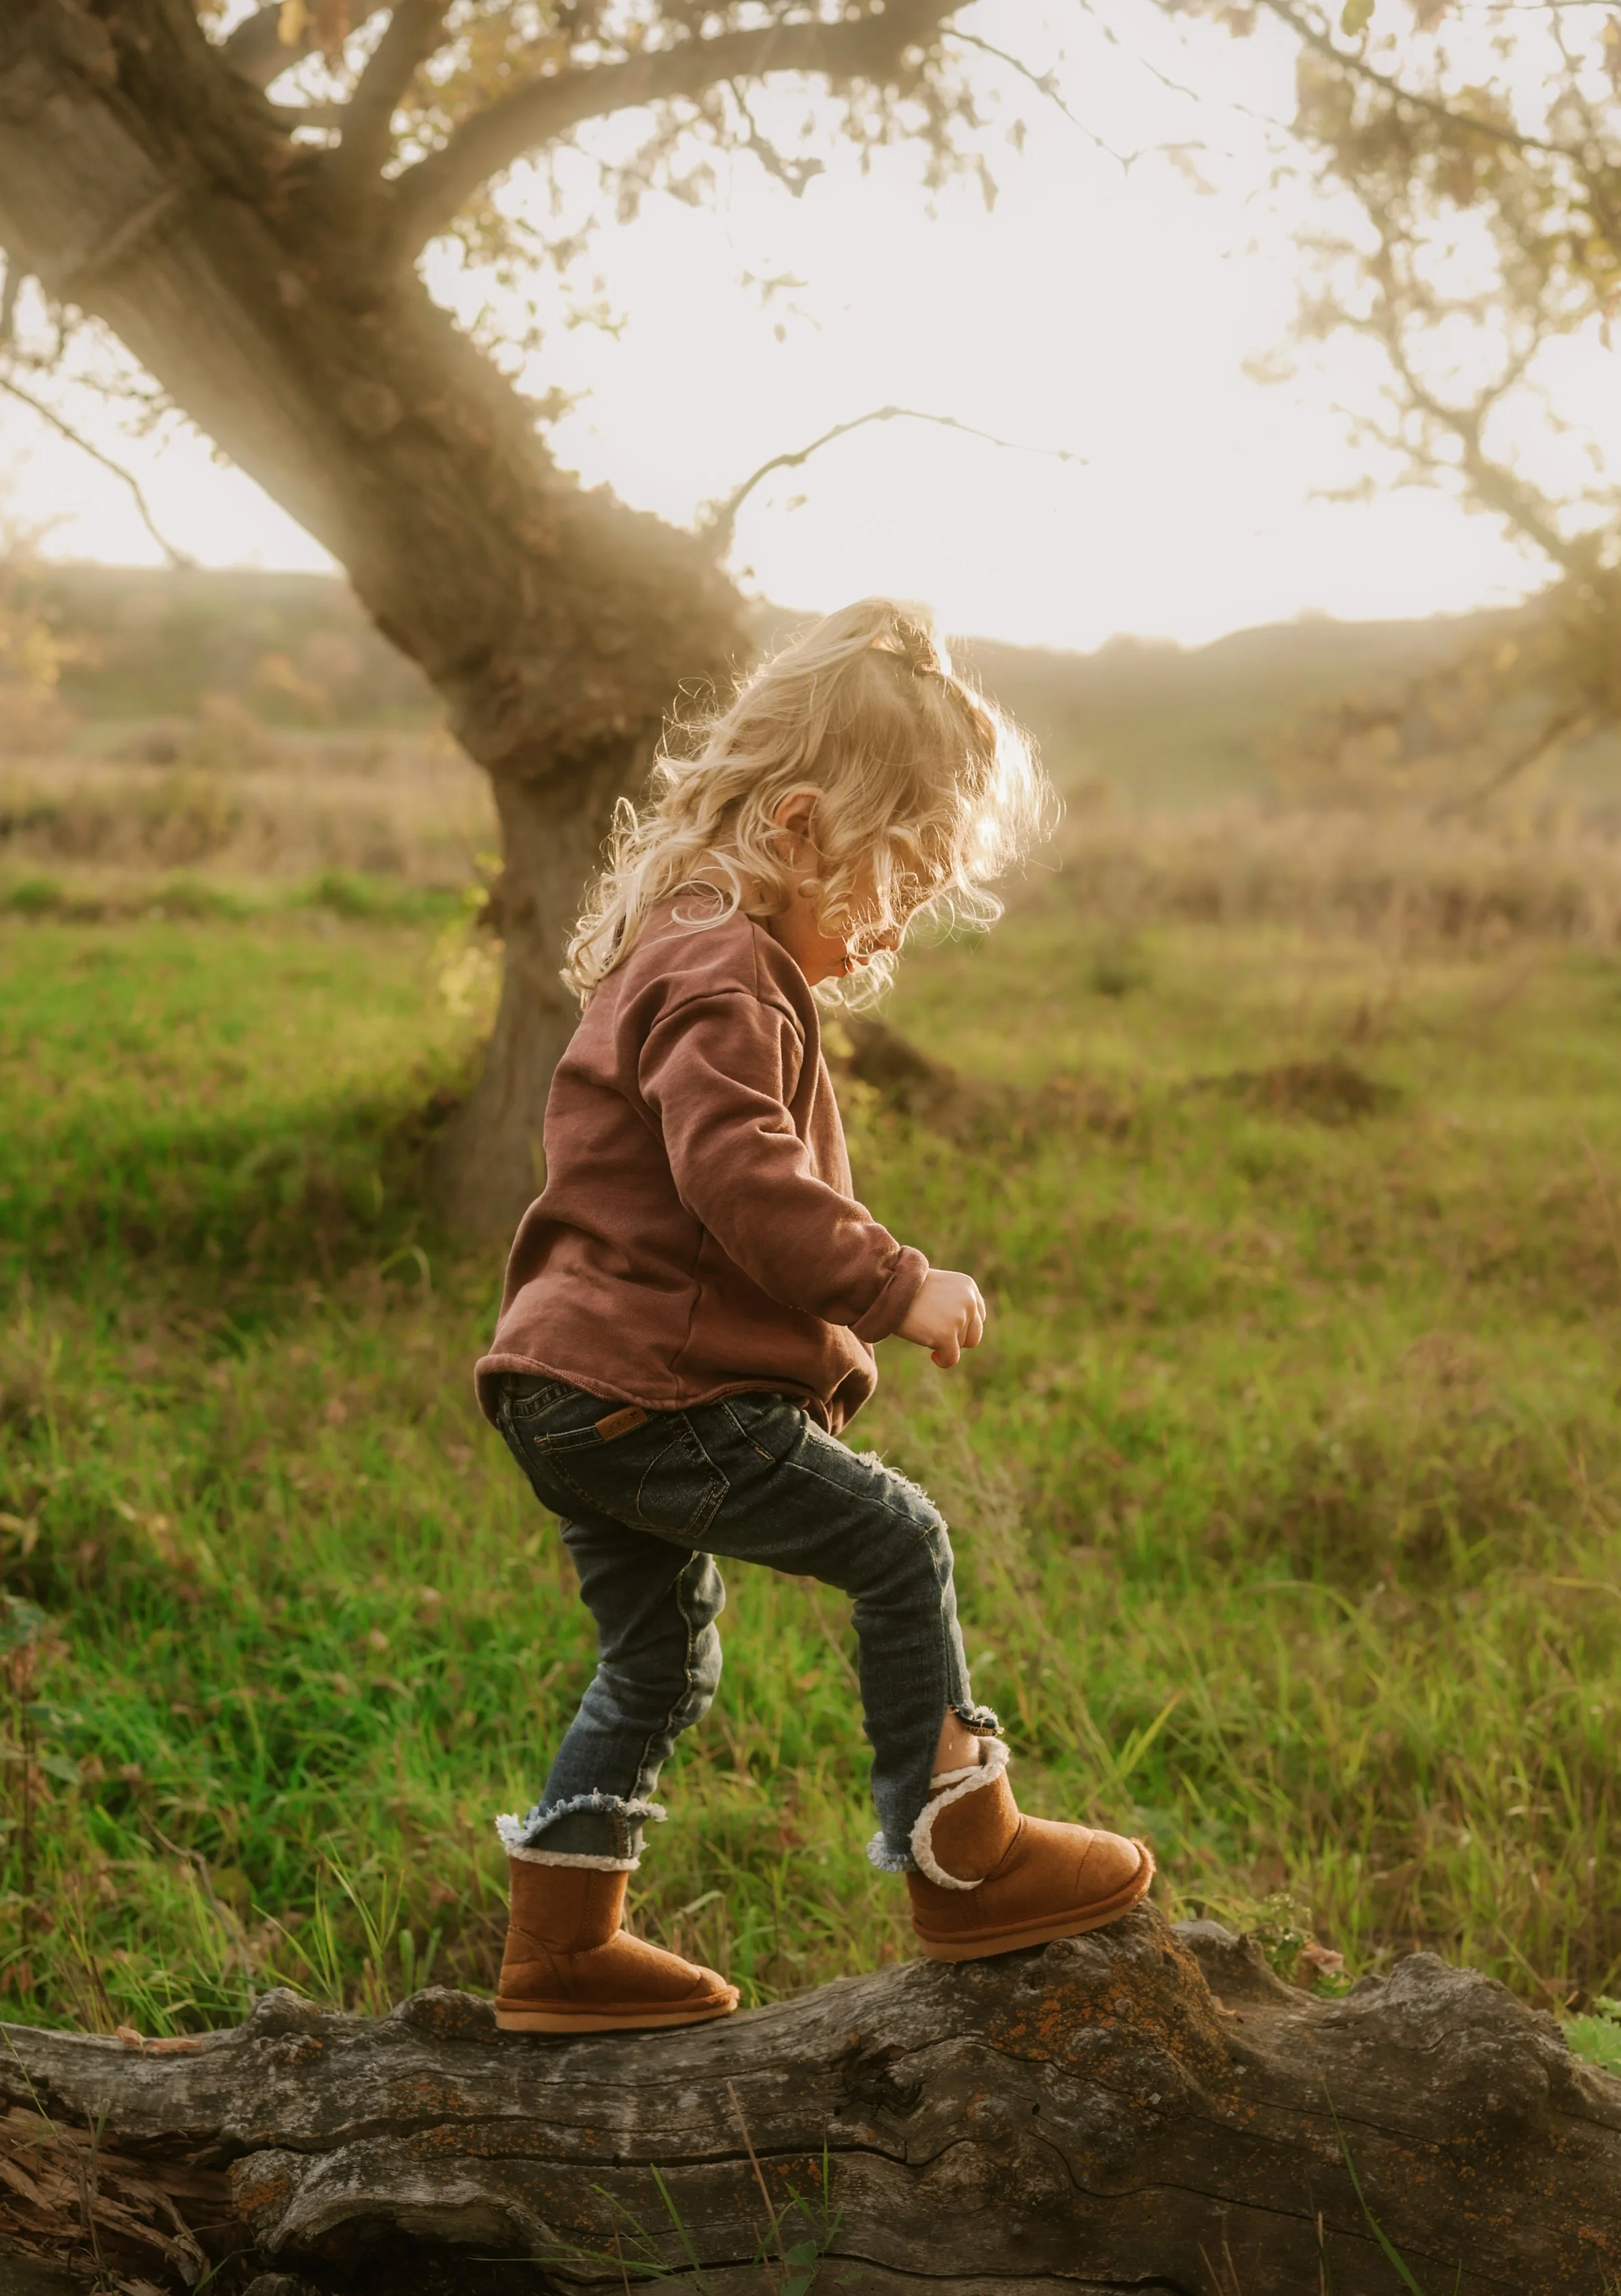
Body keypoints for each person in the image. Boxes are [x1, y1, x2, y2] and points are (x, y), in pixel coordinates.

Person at [475, 598, 1153, 2034]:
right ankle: (961, 1859)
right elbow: (740, 1180)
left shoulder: (680, 945)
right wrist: (898, 1282)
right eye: (898, 875)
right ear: (797, 829)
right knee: (897, 1541)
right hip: (650, 1390)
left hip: (566, 1389)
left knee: (656, 1654)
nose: (902, 918)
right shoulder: (727, 975)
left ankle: (557, 1945)